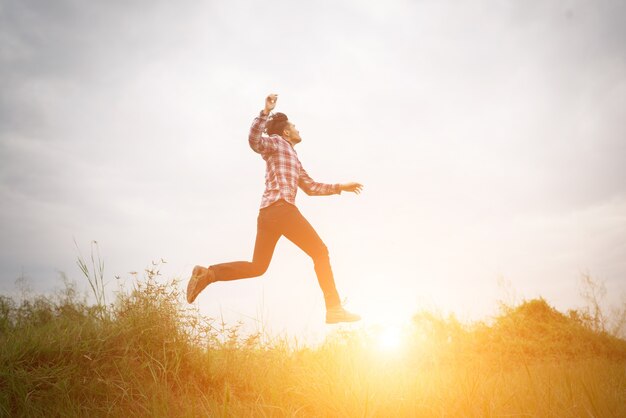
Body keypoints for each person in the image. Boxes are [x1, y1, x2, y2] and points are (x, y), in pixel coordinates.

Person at [186, 93, 362, 324]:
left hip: (268, 215)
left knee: (258, 267)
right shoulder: (277, 143)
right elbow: (255, 142)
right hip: (281, 210)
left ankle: (208, 274)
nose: (299, 130)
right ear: (286, 132)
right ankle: (334, 308)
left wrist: (340, 187)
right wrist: (265, 112)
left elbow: (310, 187)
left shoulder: (294, 159)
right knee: (320, 252)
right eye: (295, 127)